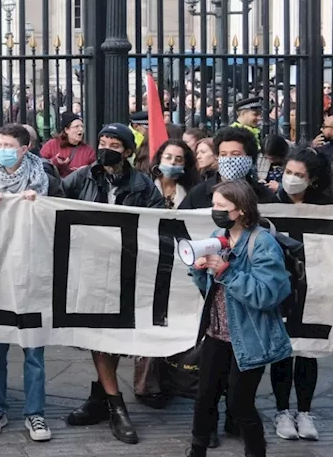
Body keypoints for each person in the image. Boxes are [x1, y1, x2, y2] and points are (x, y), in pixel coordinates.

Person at [60, 124, 163, 444]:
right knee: (98, 331)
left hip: (127, 269)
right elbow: (56, 203)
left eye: (114, 144)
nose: (106, 148)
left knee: (115, 334)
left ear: (128, 151)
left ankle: (100, 398)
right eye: (102, 142)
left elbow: (159, 222)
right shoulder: (82, 177)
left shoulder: (144, 186)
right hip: (89, 268)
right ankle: (115, 404)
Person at [185, 181, 292, 457]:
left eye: (222, 206)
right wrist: (200, 269)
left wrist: (227, 271)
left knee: (240, 403)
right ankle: (196, 451)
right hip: (217, 332)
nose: (215, 210)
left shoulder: (262, 243)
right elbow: (208, 286)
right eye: (214, 204)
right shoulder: (217, 235)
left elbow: (267, 294)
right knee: (204, 397)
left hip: (249, 337)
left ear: (242, 210)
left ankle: (256, 452)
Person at [0, 125, 54, 442]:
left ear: (25, 149)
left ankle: (34, 414)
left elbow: (58, 220)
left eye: (10, 144)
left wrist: (38, 206)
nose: (4, 149)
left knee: (33, 350)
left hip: (32, 272)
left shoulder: (45, 178)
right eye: (1, 144)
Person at [270, 147, 326, 442]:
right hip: (280, 287)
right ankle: (281, 411)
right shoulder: (270, 203)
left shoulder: (325, 207)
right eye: (288, 172)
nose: (291, 179)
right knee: (282, 350)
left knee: (308, 349)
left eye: (299, 175)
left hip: (314, 287)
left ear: (312, 180)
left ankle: (304, 411)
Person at [180, 127, 278, 209]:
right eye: (223, 154)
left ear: (250, 158)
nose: (229, 159)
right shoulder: (199, 193)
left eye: (235, 154)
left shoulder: (264, 195)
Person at [40, 113, 95, 178]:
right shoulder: (51, 145)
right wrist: (55, 162)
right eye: (76, 126)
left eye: (82, 126)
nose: (81, 129)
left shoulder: (88, 151)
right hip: (56, 186)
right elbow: (40, 165)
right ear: (66, 130)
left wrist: (85, 171)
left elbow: (94, 171)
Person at [151, 140, 201, 209]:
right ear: (160, 158)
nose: (172, 162)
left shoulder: (193, 189)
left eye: (179, 160)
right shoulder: (147, 183)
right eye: (168, 157)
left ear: (185, 164)